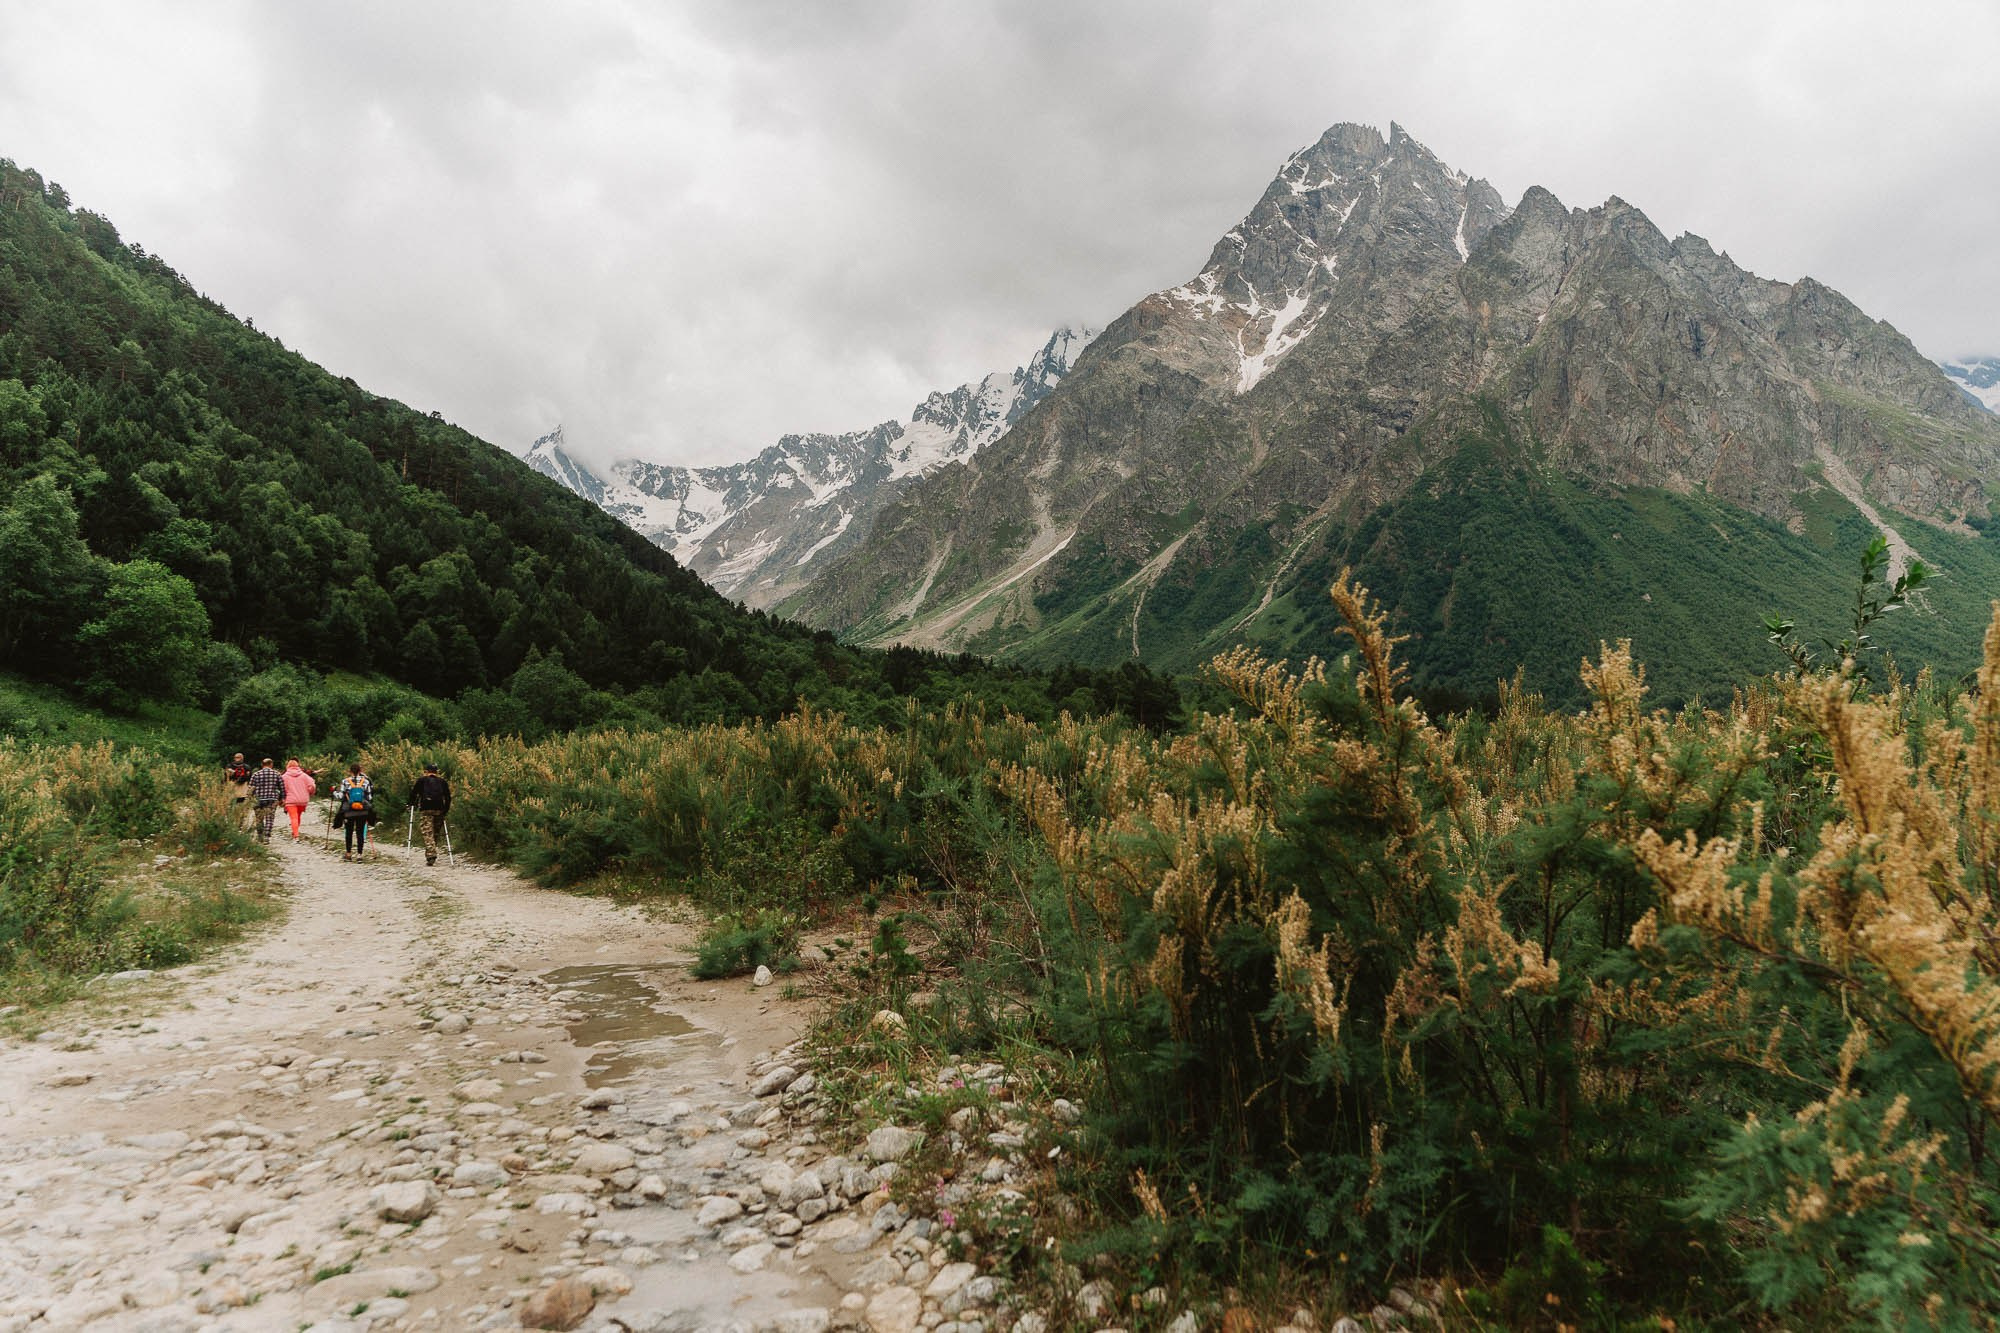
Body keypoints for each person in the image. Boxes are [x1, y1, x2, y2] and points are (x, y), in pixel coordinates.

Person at [409, 762, 452, 866]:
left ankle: (431, 854)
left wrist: (410, 804)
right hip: (439, 809)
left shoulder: (421, 780)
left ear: (426, 771)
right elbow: (448, 797)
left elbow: (414, 794)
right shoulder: (442, 782)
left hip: (426, 809)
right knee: (435, 833)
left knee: (428, 832)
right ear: (436, 772)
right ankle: (431, 853)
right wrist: (445, 810)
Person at [336, 763, 374, 861]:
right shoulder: (365, 782)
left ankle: (348, 854)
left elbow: (340, 796)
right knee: (360, 832)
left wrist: (334, 792)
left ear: (350, 771)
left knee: (348, 832)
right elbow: (369, 797)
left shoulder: (345, 781)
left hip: (349, 811)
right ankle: (359, 855)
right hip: (362, 811)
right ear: (360, 771)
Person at [248, 757, 284, 843]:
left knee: (259, 818)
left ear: (262, 765)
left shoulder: (256, 774)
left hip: (258, 799)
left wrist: (250, 799)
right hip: (272, 799)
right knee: (269, 818)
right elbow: (282, 788)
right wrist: (282, 799)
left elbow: (250, 789)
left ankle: (260, 836)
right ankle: (266, 837)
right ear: (271, 764)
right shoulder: (277, 774)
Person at [280, 758, 318, 840]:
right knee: (298, 816)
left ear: (288, 766)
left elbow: (282, 789)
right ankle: (295, 832)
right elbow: (312, 785)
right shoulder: (305, 776)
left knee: (294, 817)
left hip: (290, 800)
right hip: (303, 800)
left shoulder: (284, 777)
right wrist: (311, 792)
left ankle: (296, 835)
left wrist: (282, 798)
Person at [224, 752, 251, 826]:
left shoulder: (230, 766)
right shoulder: (246, 767)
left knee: (235, 806)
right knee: (238, 806)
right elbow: (248, 777)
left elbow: (226, 777)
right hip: (239, 789)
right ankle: (237, 821)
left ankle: (235, 821)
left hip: (235, 788)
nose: (237, 759)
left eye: (237, 757)